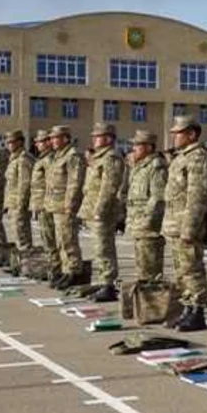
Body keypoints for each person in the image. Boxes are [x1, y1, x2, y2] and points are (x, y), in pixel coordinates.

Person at [163, 116, 207, 332]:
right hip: (175, 223)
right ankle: (187, 308)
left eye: (179, 132)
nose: (174, 136)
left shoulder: (198, 158)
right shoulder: (181, 158)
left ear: (192, 134)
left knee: (192, 268)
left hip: (186, 224)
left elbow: (197, 196)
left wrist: (189, 226)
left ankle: (197, 310)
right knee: (181, 270)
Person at [78, 123, 125, 301]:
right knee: (99, 249)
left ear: (108, 138)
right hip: (94, 210)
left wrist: (100, 210)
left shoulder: (111, 158)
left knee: (104, 248)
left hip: (103, 212)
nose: (94, 139)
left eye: (97, 136)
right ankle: (103, 281)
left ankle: (108, 285)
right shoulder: (99, 158)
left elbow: (109, 188)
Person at [45, 126, 85, 288]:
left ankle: (75, 272)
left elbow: (74, 183)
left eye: (56, 138)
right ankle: (66, 269)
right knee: (61, 240)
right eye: (52, 138)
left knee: (68, 240)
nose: (52, 141)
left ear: (65, 139)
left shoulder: (72, 156)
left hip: (65, 206)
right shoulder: (57, 157)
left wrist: (70, 204)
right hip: (56, 205)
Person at [125, 131, 167, 284]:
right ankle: (147, 300)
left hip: (148, 225)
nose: (134, 148)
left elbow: (158, 197)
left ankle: (154, 300)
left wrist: (147, 221)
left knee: (150, 267)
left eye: (138, 145)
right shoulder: (140, 166)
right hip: (138, 223)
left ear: (149, 147)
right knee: (142, 265)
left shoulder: (156, 166)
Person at [30, 131, 59, 281]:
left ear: (48, 142)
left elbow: (52, 183)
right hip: (42, 203)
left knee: (50, 237)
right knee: (46, 236)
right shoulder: (43, 159)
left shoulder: (49, 160)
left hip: (47, 203)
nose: (37, 144)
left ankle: (55, 267)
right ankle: (52, 265)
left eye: (40, 141)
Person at [3, 130, 34, 257]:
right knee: (17, 232)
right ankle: (23, 260)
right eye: (8, 142)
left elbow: (24, 184)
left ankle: (27, 261)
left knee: (22, 234)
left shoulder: (23, 159)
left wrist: (21, 205)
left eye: (12, 142)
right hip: (13, 203)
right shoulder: (13, 159)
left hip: (19, 203)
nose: (9, 145)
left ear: (20, 142)